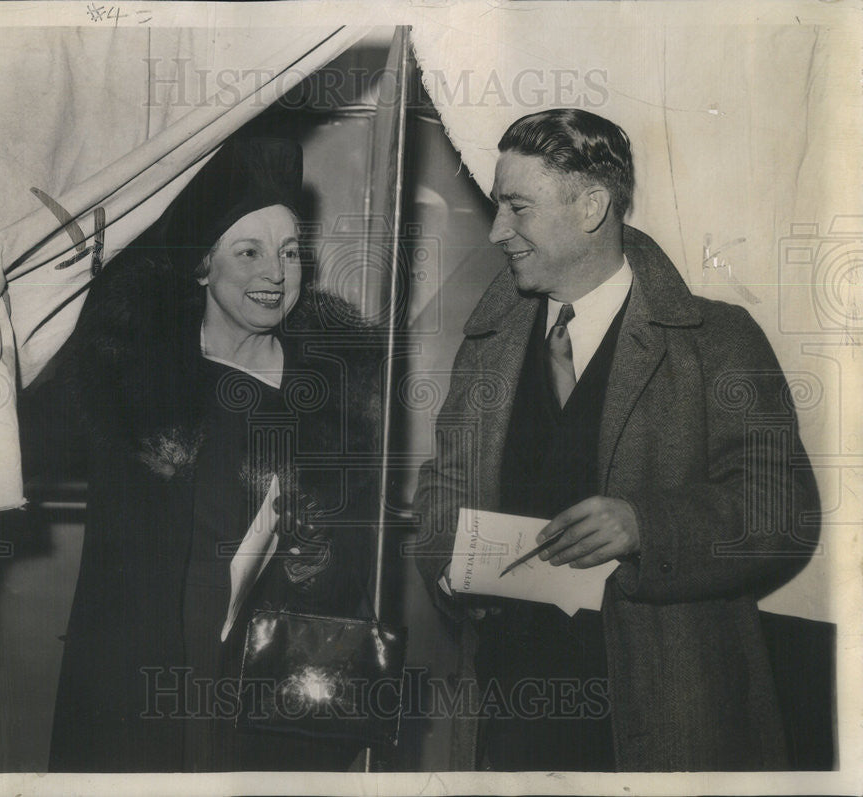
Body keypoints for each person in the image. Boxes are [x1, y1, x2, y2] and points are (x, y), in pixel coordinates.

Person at [413, 109, 821, 771]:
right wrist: (448, 565)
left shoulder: (715, 342)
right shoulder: (486, 345)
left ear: (593, 205)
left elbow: (783, 510)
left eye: (518, 207)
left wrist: (645, 525)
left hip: (664, 722)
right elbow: (442, 490)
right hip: (507, 720)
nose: (497, 231)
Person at [49, 138, 383, 772]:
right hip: (162, 671)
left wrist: (318, 560)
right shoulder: (139, 386)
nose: (275, 275)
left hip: (272, 679)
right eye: (249, 252)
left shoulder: (335, 391)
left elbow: (353, 565)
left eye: (290, 254)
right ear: (203, 265)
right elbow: (118, 578)